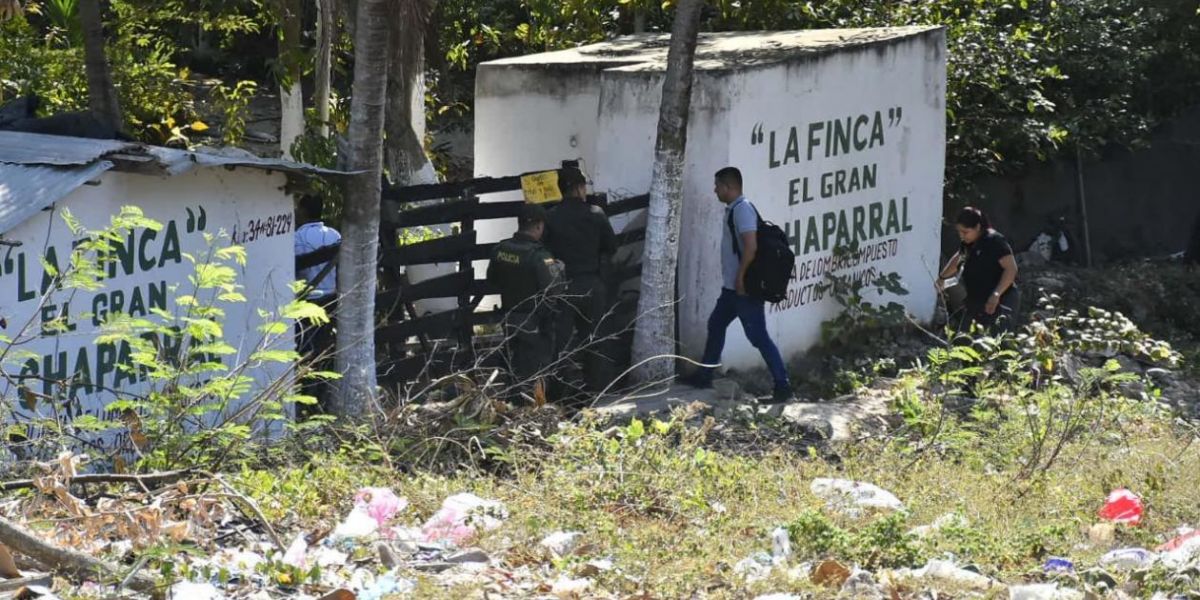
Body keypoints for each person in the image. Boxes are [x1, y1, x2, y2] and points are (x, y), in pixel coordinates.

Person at [683, 167, 792, 404]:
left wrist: (741, 278)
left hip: (744, 289)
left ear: (728, 187)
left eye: (717, 186)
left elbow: (751, 247)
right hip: (732, 289)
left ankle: (783, 386)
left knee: (758, 337)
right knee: (716, 324)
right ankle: (705, 375)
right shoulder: (735, 209)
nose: (715, 190)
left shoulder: (742, 210)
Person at [544, 165, 618, 393]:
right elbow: (611, 246)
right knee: (595, 339)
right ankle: (596, 389)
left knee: (561, 342)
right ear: (578, 188)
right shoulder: (595, 214)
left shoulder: (550, 217)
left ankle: (560, 391)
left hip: (564, 286)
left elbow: (544, 251)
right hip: (592, 284)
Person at [487, 204, 564, 396]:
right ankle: (532, 411)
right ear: (539, 226)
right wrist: (559, 271)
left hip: (509, 319)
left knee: (513, 368)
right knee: (534, 374)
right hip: (533, 324)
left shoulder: (500, 250)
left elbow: (492, 279)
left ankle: (514, 406)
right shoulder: (540, 257)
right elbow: (554, 291)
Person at [937, 206, 1020, 333]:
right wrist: (942, 278)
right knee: (963, 342)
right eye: (959, 232)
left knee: (998, 342)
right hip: (976, 300)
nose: (961, 236)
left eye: (965, 232)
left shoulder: (995, 241)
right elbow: (959, 258)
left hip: (1001, 300)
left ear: (977, 227)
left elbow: (1011, 269)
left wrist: (996, 294)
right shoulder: (968, 243)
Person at [293, 194, 340, 414]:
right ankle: (321, 396)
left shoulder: (296, 238)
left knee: (304, 350)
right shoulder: (334, 235)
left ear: (303, 211)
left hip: (307, 304)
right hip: (332, 301)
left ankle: (305, 400)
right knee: (324, 349)